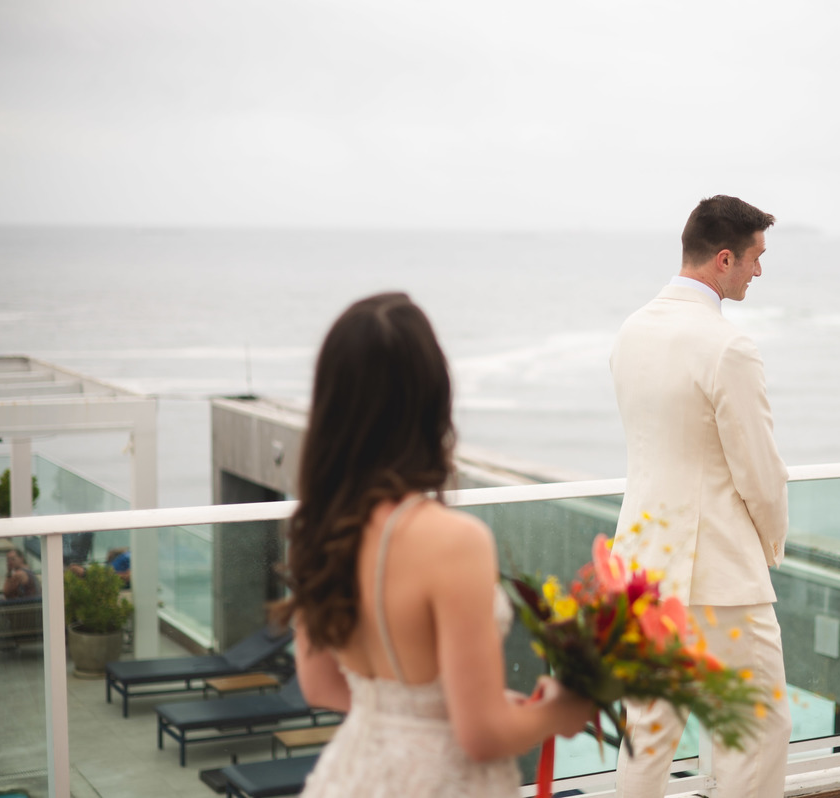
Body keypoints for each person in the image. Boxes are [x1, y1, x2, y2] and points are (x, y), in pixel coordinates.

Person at [276, 292, 593, 797]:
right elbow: (481, 736)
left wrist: (433, 712)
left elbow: (322, 686)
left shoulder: (320, 525)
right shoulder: (452, 541)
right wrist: (565, 710)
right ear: (431, 400)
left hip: (350, 776)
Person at [609, 195, 793, 798]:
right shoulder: (727, 346)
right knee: (759, 730)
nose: (758, 271)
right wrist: (768, 547)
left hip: (641, 567)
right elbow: (760, 473)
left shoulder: (631, 331)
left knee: (649, 734)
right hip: (718, 575)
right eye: (755, 258)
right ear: (723, 258)